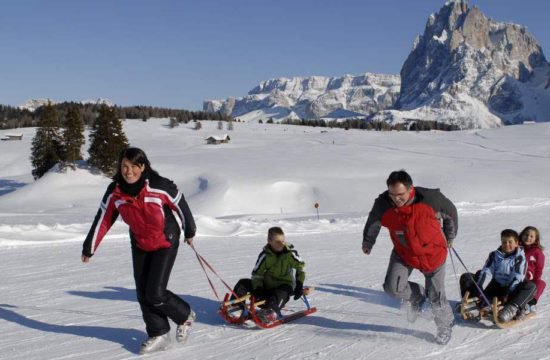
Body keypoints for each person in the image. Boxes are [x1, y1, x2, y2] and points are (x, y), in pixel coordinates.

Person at [81, 147, 197, 355]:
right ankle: (158, 333)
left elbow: (181, 206)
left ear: (143, 166)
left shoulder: (159, 186)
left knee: (156, 293)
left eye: (134, 165)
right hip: (140, 243)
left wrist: (190, 230)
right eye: (124, 166)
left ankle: (185, 315)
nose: (129, 171)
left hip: (165, 241)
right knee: (143, 292)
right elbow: (104, 218)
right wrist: (89, 247)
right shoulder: (115, 191)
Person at [362, 170, 457, 345]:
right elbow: (374, 220)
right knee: (392, 288)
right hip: (403, 252)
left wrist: (450, 236)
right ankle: (417, 297)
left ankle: (445, 325)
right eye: (392, 194)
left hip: (433, 253)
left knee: (436, 296)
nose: (396, 199)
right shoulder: (384, 204)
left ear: (410, 189)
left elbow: (450, 212)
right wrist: (368, 242)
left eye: (400, 194)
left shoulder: (430, 199)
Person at [459, 229, 536, 322]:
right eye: (504, 242)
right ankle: (471, 303)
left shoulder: (520, 258)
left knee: (531, 286)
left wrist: (508, 293)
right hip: (494, 286)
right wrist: (479, 289)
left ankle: (511, 309)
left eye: (510, 242)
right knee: (467, 276)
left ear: (516, 243)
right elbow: (487, 272)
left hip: (509, 290)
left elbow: (517, 276)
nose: (507, 245)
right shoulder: (494, 255)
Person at [231, 227, 306, 322]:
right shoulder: (265, 255)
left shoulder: (290, 254)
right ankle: (236, 307)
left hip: (284, 286)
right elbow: (256, 275)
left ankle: (270, 312)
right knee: (243, 283)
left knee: (280, 293)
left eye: (283, 241)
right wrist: (258, 288)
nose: (281, 244)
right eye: (277, 241)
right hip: (266, 287)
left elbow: (301, 268)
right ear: (269, 241)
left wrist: (299, 284)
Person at [519, 226, 545, 308]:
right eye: (526, 235)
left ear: (535, 239)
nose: (528, 238)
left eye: (531, 236)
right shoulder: (517, 248)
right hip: (517, 278)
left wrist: (535, 281)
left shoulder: (537, 252)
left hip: (530, 280)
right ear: (522, 235)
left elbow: (539, 268)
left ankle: (531, 302)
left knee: (541, 283)